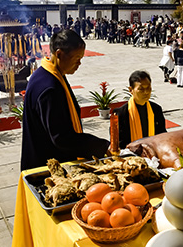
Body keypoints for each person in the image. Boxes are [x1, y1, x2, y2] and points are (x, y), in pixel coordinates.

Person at [20, 29, 109, 171]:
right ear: (59, 54)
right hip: (47, 167)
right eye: (77, 58)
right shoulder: (49, 88)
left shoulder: (46, 74)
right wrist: (103, 146)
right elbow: (62, 138)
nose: (79, 63)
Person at [115, 70, 167, 149]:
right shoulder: (121, 113)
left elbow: (162, 135)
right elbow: (119, 143)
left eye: (148, 88)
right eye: (141, 89)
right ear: (131, 90)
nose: (146, 92)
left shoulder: (156, 109)